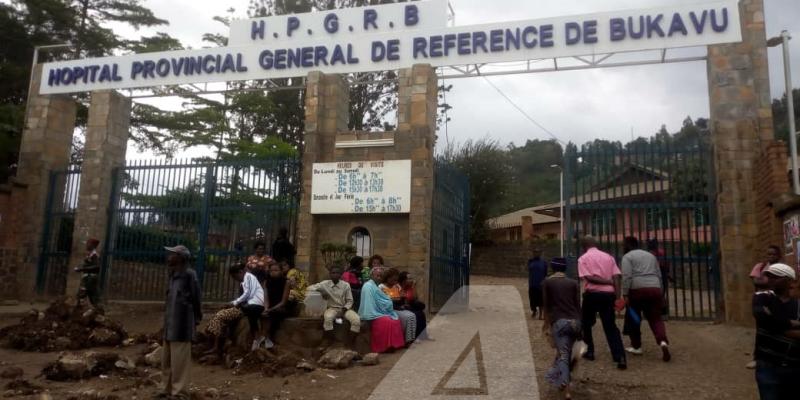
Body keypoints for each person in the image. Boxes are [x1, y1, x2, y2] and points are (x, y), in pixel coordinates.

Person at [159, 245, 202, 400]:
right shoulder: (172, 275)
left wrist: (197, 318)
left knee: (180, 363)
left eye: (172, 254)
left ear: (181, 258)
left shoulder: (189, 275)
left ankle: (180, 393)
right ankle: (165, 389)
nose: (169, 256)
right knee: (166, 361)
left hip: (182, 325)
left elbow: (196, 299)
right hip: (170, 325)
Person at [577, 236, 626, 369]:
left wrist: (607, 282)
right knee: (610, 326)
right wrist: (617, 297)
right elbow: (616, 277)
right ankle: (620, 356)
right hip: (609, 295)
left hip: (592, 295)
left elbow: (588, 277)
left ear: (583, 246)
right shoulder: (608, 257)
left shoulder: (583, 259)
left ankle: (590, 351)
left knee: (586, 324)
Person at [752, 263, 800, 399]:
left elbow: (770, 323)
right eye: (769, 276)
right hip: (768, 365)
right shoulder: (762, 297)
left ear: (789, 280)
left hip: (794, 366)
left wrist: (774, 324)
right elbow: (764, 320)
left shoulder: (797, 304)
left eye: (776, 277)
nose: (771, 279)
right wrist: (793, 323)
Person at [620, 236, 671, 362]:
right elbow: (659, 274)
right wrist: (660, 291)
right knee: (656, 318)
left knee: (634, 318)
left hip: (637, 289)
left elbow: (626, 276)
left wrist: (625, 293)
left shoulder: (627, 257)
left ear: (627, 245)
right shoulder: (651, 256)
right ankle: (663, 341)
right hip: (654, 287)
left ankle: (636, 346)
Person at [205, 264, 265, 358]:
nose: (235, 279)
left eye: (235, 276)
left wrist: (232, 304)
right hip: (244, 308)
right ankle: (216, 343)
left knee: (219, 316)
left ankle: (216, 346)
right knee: (218, 317)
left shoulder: (249, 280)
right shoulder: (246, 281)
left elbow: (245, 299)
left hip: (244, 309)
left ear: (240, 272)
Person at [542, 257, 582, 400]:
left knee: (563, 355)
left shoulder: (548, 282)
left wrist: (546, 323)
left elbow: (546, 305)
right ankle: (560, 381)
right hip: (575, 322)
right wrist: (581, 327)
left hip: (560, 322)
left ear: (552, 268)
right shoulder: (573, 283)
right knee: (565, 353)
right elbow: (577, 305)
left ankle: (567, 390)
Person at [307, 265, 361, 349]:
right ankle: (330, 340)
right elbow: (309, 288)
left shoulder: (345, 285)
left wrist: (343, 311)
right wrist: (321, 291)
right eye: (333, 273)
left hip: (345, 309)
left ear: (341, 275)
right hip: (331, 308)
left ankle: (350, 343)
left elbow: (350, 301)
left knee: (356, 320)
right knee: (328, 318)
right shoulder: (325, 284)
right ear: (330, 274)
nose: (335, 275)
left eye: (337, 273)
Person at [747, 245, 782, 369]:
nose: (771, 256)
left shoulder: (782, 268)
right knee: (761, 330)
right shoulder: (760, 266)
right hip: (761, 301)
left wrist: (767, 282)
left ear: (779, 256)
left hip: (777, 301)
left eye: (774, 254)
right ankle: (757, 357)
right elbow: (757, 282)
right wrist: (772, 282)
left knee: (778, 328)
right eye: (769, 254)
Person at [358, 267, 405, 353]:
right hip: (371, 313)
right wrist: (386, 303)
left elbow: (382, 299)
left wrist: (387, 302)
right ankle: (382, 347)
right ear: (372, 276)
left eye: (380, 276)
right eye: (377, 275)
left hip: (379, 311)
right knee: (386, 321)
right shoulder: (368, 286)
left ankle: (392, 345)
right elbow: (369, 303)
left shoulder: (376, 285)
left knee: (395, 320)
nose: (379, 277)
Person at [380, 268, 417, 344]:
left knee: (412, 315)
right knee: (408, 316)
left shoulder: (396, 286)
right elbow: (384, 301)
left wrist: (399, 298)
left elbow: (402, 296)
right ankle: (406, 340)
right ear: (387, 278)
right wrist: (396, 299)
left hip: (398, 307)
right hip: (388, 309)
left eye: (396, 280)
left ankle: (410, 339)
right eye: (393, 280)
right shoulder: (381, 287)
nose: (395, 282)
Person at [263, 263, 291, 349]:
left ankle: (269, 337)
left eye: (276, 270)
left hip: (281, 306)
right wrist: (266, 308)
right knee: (257, 311)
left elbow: (283, 302)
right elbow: (266, 298)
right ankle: (259, 338)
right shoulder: (267, 282)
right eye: (271, 270)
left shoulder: (286, 282)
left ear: (281, 271)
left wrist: (270, 310)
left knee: (274, 314)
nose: (273, 272)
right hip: (270, 306)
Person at [399, 271, 431, 340]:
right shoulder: (399, 287)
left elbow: (415, 298)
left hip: (410, 304)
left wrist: (413, 287)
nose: (411, 280)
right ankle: (416, 336)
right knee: (416, 314)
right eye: (409, 279)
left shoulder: (410, 287)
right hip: (402, 306)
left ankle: (423, 335)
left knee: (421, 313)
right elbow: (403, 301)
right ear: (404, 280)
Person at [74, 238, 102, 310]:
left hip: (90, 278)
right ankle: (98, 312)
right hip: (89, 278)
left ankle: (78, 312)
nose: (86, 245)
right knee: (92, 297)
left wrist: (82, 269)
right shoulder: (90, 254)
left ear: (93, 245)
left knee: (82, 295)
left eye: (88, 243)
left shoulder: (95, 255)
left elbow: (97, 266)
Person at [528, 248, 549, 319]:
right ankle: (534, 311)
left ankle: (541, 314)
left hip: (541, 284)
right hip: (532, 284)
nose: (536, 254)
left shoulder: (544, 263)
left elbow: (546, 273)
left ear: (540, 254)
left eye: (538, 252)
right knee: (532, 299)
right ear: (533, 253)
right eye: (535, 252)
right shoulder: (530, 262)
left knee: (541, 300)